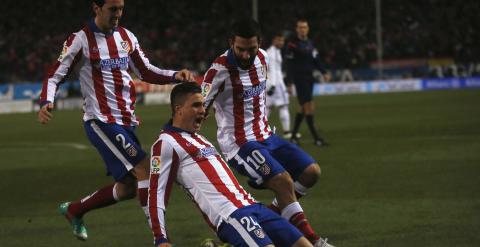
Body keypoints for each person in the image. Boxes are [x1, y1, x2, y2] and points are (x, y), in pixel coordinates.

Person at [37, 0, 195, 241]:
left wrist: (175, 75)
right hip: (100, 121)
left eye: (121, 8)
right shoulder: (80, 40)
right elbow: (55, 73)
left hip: (126, 121)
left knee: (128, 188)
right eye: (113, 9)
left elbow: (146, 71)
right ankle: (160, 238)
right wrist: (46, 100)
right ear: (96, 8)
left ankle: (74, 210)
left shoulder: (126, 37)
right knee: (145, 170)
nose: (118, 14)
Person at [201, 19, 334, 247]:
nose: (245, 55)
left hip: (267, 136)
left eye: (250, 49)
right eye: (240, 49)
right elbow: (198, 107)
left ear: (259, 44)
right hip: (239, 144)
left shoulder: (262, 58)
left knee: (311, 172)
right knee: (283, 182)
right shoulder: (218, 71)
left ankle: (272, 218)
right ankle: (313, 241)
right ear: (231, 43)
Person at [148, 82, 315, 247]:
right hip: (231, 215)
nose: (203, 110)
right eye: (196, 105)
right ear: (179, 109)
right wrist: (160, 238)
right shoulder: (166, 143)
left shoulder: (200, 139)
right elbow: (157, 193)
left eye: (203, 105)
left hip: (254, 206)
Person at [285, 18, 330, 146]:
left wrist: (324, 72)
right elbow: (288, 64)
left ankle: (293, 136)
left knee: (302, 108)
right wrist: (289, 82)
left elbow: (316, 59)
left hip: (309, 78)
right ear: (296, 29)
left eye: (304, 27)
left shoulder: (310, 43)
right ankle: (316, 138)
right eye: (300, 27)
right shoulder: (292, 44)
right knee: (309, 106)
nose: (302, 29)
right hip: (300, 79)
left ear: (308, 29)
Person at [265, 33, 296, 139]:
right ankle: (287, 132)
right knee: (283, 106)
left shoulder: (273, 52)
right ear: (274, 40)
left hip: (269, 83)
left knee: (267, 108)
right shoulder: (273, 53)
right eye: (279, 40)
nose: (281, 43)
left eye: (282, 41)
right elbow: (273, 70)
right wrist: (273, 85)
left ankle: (259, 130)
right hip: (276, 84)